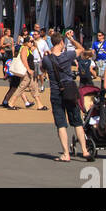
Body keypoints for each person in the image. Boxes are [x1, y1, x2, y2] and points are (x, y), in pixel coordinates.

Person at [42, 32, 89, 162]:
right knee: (77, 122)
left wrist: (47, 54)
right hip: (69, 89)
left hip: (56, 91)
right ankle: (85, 151)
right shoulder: (68, 55)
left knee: (61, 124)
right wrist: (71, 39)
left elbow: (42, 69)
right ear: (61, 43)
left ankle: (66, 153)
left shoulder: (47, 58)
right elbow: (81, 49)